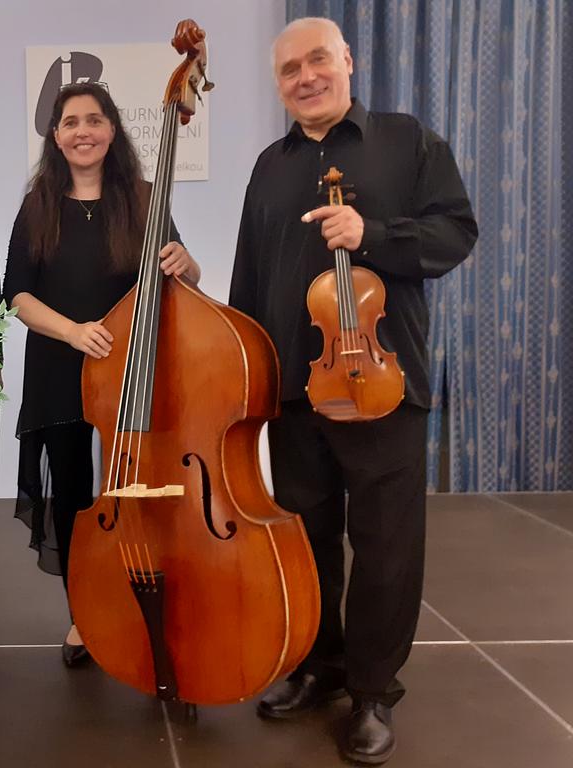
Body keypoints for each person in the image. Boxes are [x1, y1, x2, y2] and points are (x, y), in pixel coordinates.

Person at [229, 17, 477, 765]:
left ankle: (372, 691)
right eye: (289, 69)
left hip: (381, 383)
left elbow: (456, 233)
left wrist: (371, 234)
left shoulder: (408, 141)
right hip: (296, 389)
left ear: (347, 61)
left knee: (385, 545)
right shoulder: (270, 165)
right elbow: (250, 274)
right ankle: (320, 665)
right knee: (306, 540)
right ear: (278, 84)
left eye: (317, 61)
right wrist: (249, 376)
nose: (305, 77)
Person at [3, 82, 199, 667]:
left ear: (112, 130)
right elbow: (17, 295)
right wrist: (72, 332)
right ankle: (83, 614)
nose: (82, 131)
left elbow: (180, 283)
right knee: (73, 495)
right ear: (56, 135)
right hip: (62, 365)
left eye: (94, 120)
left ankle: (149, 601)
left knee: (141, 488)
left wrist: (188, 264)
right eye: (70, 122)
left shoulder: (143, 198)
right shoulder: (38, 204)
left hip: (135, 369)